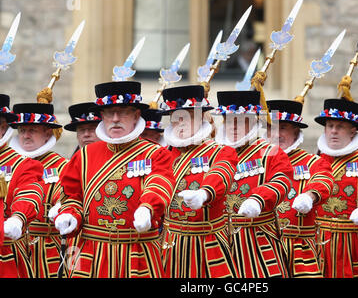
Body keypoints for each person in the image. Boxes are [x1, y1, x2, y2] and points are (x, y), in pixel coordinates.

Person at [55, 81, 176, 278]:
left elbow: (159, 183)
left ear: (136, 116)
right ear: (102, 116)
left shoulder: (155, 153)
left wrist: (147, 208)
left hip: (137, 251)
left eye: (123, 112)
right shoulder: (84, 155)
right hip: (91, 252)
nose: (115, 119)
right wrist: (70, 214)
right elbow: (72, 195)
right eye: (109, 113)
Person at [159, 85, 239, 278]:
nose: (182, 124)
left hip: (208, 244)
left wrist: (205, 193)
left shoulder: (221, 151)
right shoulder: (162, 156)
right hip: (170, 244)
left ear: (201, 118)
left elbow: (221, 173)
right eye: (177, 118)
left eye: (189, 117)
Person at [213, 90, 293, 278]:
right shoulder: (214, 152)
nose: (233, 126)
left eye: (240, 121)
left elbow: (282, 180)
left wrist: (258, 199)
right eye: (229, 120)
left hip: (256, 239)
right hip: (218, 239)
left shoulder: (270, 151)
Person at [314, 97, 358, 278]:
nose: (333, 131)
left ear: (353, 130)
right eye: (330, 126)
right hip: (322, 241)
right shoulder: (315, 161)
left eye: (340, 127)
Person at [266, 99, 334, 278]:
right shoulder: (258, 162)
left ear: (296, 130)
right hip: (262, 246)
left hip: (298, 249)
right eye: (271, 127)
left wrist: (310, 196)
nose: (275, 134)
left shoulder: (313, 162)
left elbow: (324, 181)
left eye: (283, 128)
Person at [9, 102, 68, 278]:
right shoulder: (9, 165)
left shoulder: (64, 166)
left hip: (50, 248)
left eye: (32, 130)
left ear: (47, 133)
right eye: (22, 130)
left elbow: (70, 197)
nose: (26, 135)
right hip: (13, 247)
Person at [0, 94, 44, 278]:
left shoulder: (22, 164)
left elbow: (29, 193)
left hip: (4, 252)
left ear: (3, 128)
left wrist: (18, 218)